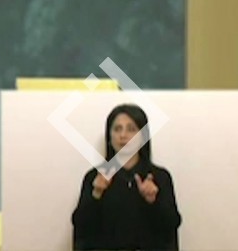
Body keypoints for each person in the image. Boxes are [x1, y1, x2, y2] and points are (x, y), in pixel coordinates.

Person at [71, 104, 181, 250]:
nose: (123, 135)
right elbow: (80, 227)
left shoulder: (159, 177)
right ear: (109, 137)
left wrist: (153, 201)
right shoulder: (95, 177)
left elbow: (172, 225)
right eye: (117, 129)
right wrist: (96, 194)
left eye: (131, 129)